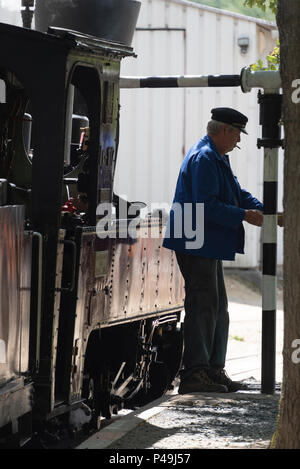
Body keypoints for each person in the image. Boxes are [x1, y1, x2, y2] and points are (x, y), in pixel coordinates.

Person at [163, 107, 264, 394]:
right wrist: (244, 215)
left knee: (217, 307)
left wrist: (261, 208)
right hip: (195, 240)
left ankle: (212, 369)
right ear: (225, 131)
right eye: (236, 135)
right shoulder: (206, 158)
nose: (238, 142)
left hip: (203, 240)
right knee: (204, 306)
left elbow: (234, 191)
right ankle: (196, 372)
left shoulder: (216, 156)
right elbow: (206, 205)